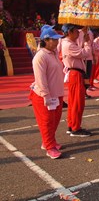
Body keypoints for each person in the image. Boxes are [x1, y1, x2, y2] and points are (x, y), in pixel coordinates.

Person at [30, 26, 64, 159]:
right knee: (47, 122)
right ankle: (49, 147)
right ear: (46, 40)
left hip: (57, 93)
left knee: (55, 120)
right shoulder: (40, 57)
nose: (57, 42)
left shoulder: (54, 53)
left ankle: (49, 141)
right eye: (54, 40)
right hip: (45, 95)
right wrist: (46, 95)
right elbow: (40, 79)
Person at [61, 23, 93, 137]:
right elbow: (85, 53)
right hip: (75, 74)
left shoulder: (69, 43)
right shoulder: (68, 45)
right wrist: (86, 42)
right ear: (69, 32)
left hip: (75, 73)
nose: (77, 33)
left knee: (74, 101)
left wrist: (84, 36)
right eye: (75, 31)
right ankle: (75, 127)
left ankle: (72, 125)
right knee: (77, 102)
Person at [77, 27, 94, 99]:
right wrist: (85, 41)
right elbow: (78, 45)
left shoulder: (90, 33)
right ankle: (82, 92)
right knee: (82, 76)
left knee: (88, 75)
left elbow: (91, 43)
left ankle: (85, 91)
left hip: (89, 56)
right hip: (82, 57)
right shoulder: (78, 33)